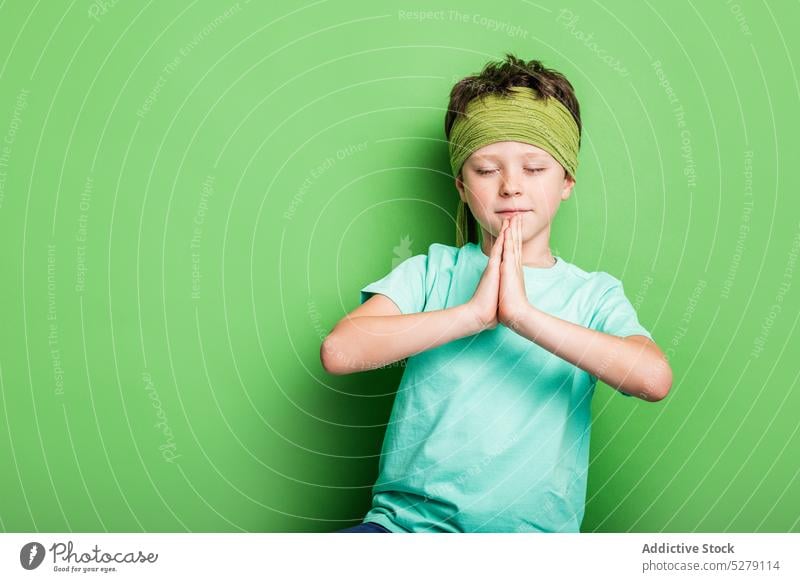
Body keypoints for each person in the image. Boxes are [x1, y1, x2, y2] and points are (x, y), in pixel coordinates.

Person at [323, 54, 673, 533]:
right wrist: (471, 315)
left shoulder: (593, 295)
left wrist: (524, 316)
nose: (511, 187)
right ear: (462, 187)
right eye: (487, 170)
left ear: (567, 181)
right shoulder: (431, 273)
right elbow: (341, 351)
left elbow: (653, 379)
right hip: (403, 532)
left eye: (534, 168)